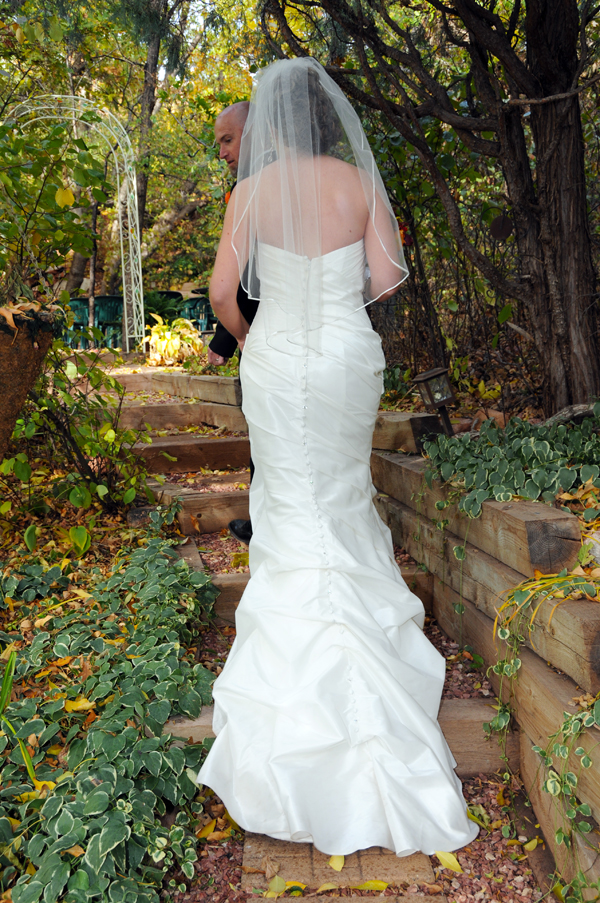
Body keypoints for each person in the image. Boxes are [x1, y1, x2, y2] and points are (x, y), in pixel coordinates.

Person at [197, 58, 478, 857]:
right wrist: (332, 298)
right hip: (348, 361)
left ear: (273, 127)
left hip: (279, 358)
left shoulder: (251, 193)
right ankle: (384, 716)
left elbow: (223, 293)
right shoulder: (360, 181)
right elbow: (386, 277)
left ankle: (296, 734)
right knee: (343, 499)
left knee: (291, 506)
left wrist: (264, 339)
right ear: (330, 118)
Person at [210, 101, 256, 545]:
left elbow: (236, 283)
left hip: (266, 335)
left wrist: (233, 336)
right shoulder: (322, 182)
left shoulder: (251, 192)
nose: (222, 152)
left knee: (266, 438)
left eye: (228, 139)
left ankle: (265, 524)